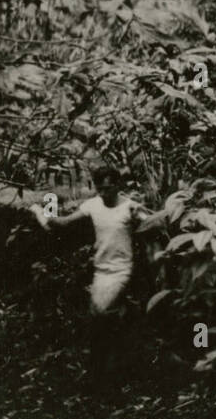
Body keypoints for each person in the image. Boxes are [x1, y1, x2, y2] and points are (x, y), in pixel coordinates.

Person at [32, 164, 144, 388]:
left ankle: (105, 373)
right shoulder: (92, 205)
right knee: (97, 320)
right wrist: (40, 210)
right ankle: (100, 374)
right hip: (101, 270)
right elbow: (61, 225)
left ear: (118, 186)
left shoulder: (130, 207)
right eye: (100, 188)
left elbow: (151, 222)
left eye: (109, 187)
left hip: (122, 269)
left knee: (100, 313)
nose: (104, 192)